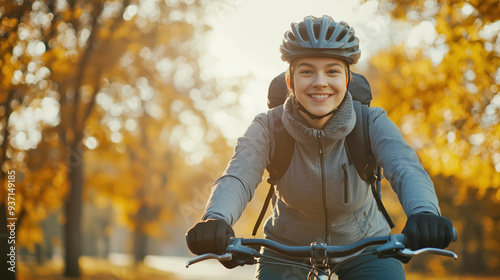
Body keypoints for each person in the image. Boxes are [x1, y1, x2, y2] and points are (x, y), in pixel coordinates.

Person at [185, 15, 454, 279]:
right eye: (307, 71)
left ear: (347, 79)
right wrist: (216, 220)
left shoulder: (371, 122)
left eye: (332, 71)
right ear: (290, 82)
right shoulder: (268, 127)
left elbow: (405, 168)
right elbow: (238, 176)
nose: (320, 82)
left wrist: (424, 213)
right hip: (286, 249)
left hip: (368, 247)